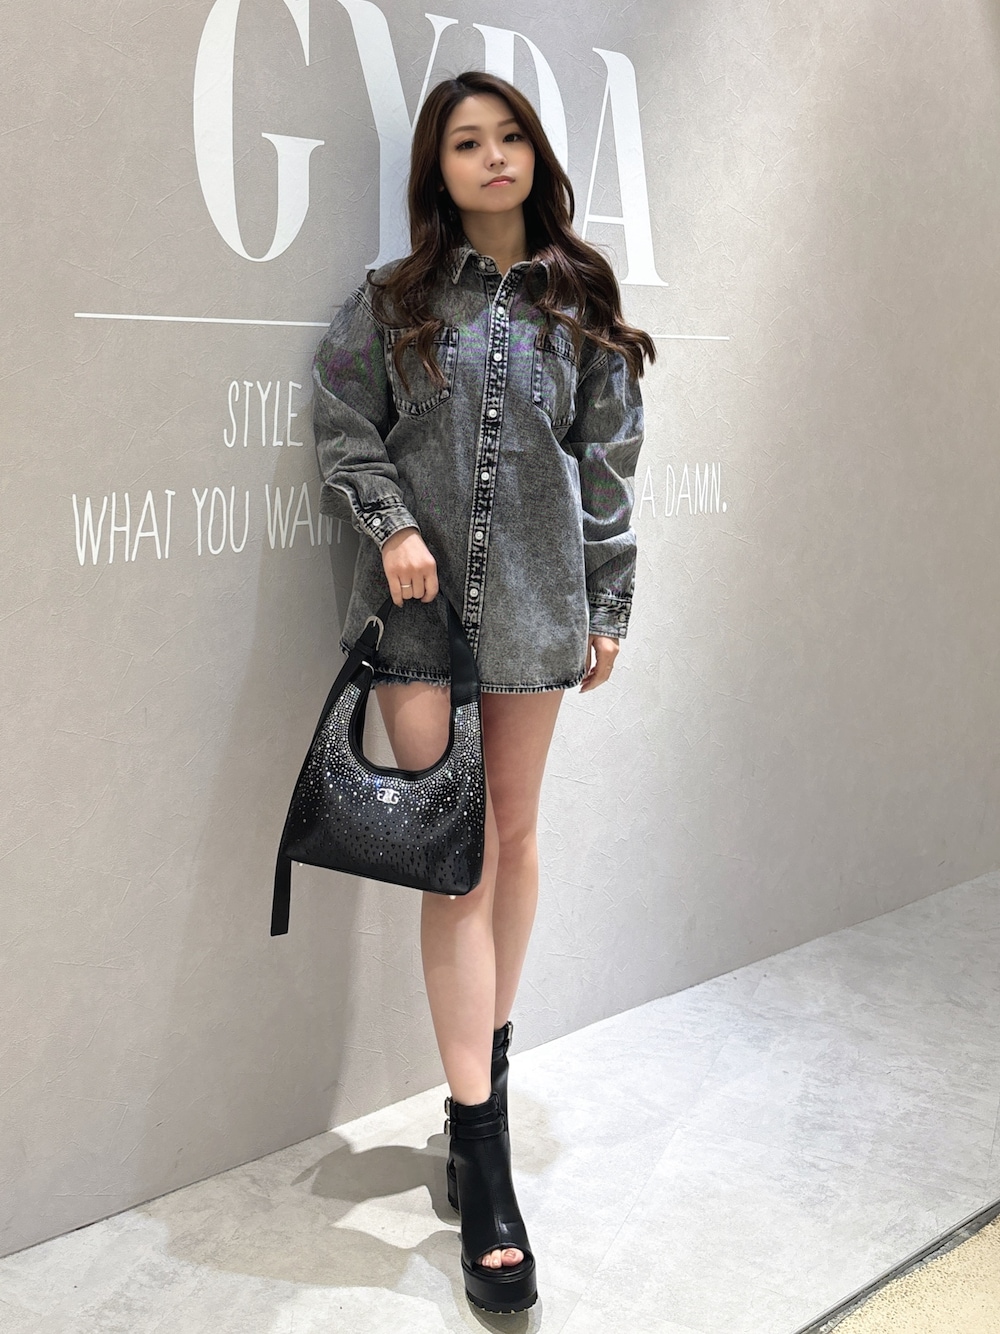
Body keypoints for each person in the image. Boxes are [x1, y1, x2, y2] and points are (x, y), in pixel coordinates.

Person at [311, 69, 655, 1314]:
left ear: (535, 157)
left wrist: (607, 604)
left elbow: (606, 466)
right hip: (418, 621)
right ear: (440, 169)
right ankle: (484, 1147)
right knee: (457, 860)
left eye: (510, 135)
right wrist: (392, 521)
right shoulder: (393, 302)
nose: (493, 156)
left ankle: (477, 1104)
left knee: (512, 840)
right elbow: (343, 424)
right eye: (467, 141)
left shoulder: (580, 300)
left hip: (537, 605)